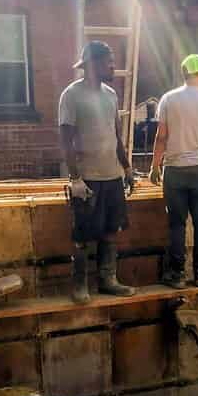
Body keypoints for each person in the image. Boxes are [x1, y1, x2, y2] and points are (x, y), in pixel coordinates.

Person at [58, 41, 136, 304]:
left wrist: (126, 167)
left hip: (111, 175)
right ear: (92, 64)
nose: (113, 65)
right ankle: (80, 285)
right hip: (87, 178)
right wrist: (75, 178)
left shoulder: (111, 95)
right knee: (83, 235)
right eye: (108, 61)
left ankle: (108, 280)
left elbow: (115, 135)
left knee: (110, 230)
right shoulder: (71, 95)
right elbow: (65, 140)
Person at [150, 53, 198, 288]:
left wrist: (154, 166)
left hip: (176, 170)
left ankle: (177, 275)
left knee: (177, 224)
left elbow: (161, 137)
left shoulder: (168, 100)